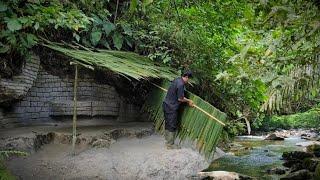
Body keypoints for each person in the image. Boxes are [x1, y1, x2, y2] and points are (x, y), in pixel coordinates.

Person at [162, 70, 194, 149]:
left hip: (166, 104)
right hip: (171, 107)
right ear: (186, 77)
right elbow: (180, 99)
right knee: (172, 124)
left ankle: (167, 141)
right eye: (189, 79)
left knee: (168, 122)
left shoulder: (177, 80)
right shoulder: (181, 84)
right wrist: (189, 100)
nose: (188, 81)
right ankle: (170, 145)